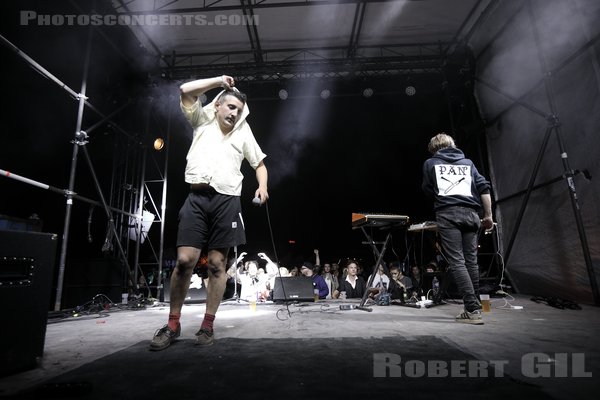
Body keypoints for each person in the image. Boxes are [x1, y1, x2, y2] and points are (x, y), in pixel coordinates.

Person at [150, 75, 269, 351]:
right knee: (184, 260)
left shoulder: (243, 130)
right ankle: (173, 324)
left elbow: (259, 163)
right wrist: (219, 82)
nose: (234, 112)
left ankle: (207, 325)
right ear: (217, 106)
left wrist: (262, 186)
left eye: (238, 109)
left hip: (228, 201)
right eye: (229, 107)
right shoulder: (202, 119)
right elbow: (184, 91)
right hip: (197, 197)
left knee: (217, 264)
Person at [421, 133, 493, 325]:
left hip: (448, 214)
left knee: (457, 262)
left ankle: (472, 309)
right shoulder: (467, 163)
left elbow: (428, 190)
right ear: (452, 145)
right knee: (471, 261)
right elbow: (484, 188)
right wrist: (488, 216)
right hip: (471, 214)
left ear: (435, 149)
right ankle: (474, 306)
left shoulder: (431, 163)